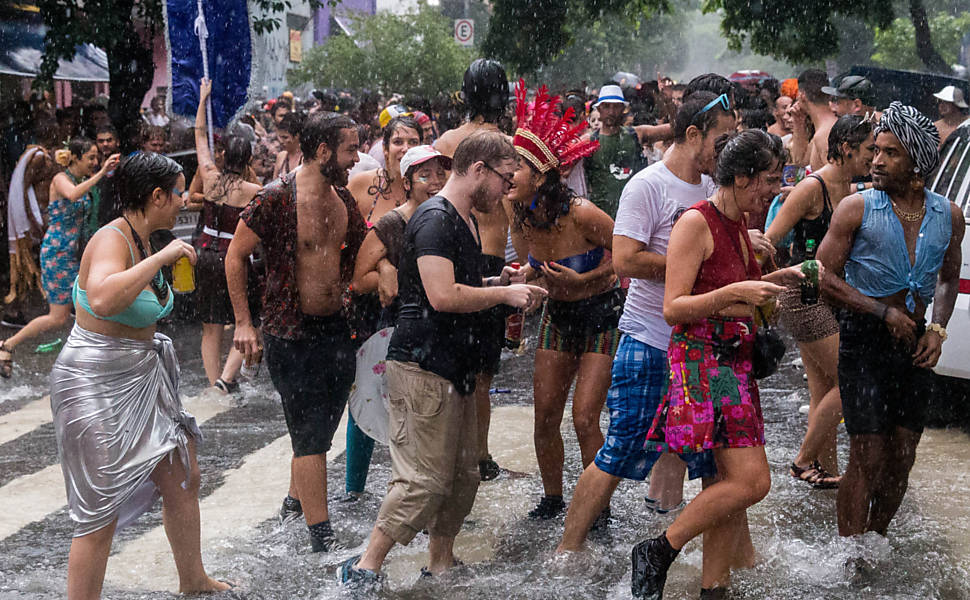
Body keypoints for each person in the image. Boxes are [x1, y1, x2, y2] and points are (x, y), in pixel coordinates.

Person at [338, 131, 547, 586]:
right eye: (505, 180)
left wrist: (499, 281)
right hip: (422, 365)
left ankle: (441, 562)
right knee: (423, 481)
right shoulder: (435, 219)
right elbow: (442, 295)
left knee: (462, 474)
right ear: (478, 170)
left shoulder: (465, 216)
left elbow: (457, 284)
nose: (508, 190)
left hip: (456, 364)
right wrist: (504, 294)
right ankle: (362, 567)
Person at [557, 91, 737, 552]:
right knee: (618, 451)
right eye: (722, 139)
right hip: (649, 340)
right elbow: (624, 261)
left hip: (705, 347)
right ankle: (567, 549)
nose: (727, 150)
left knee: (721, 456)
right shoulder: (647, 185)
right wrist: (693, 265)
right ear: (693, 134)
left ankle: (718, 559)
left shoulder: (715, 191)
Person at [49, 151, 229, 599]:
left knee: (182, 471)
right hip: (94, 380)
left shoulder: (146, 236)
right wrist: (163, 257)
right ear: (156, 195)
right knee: (100, 506)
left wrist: (160, 254)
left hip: (141, 373)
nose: (184, 199)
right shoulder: (113, 239)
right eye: (178, 191)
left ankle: (194, 580)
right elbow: (104, 298)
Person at [633, 130, 802, 598]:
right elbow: (674, 307)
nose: (775, 189)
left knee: (731, 483)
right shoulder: (696, 222)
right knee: (753, 481)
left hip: (735, 363)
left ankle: (714, 588)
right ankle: (660, 548)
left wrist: (781, 279)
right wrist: (736, 294)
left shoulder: (738, 226)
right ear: (742, 178)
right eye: (769, 180)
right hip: (703, 366)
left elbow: (743, 296)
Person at [816, 102, 963, 541]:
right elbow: (822, 277)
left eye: (890, 153)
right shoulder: (856, 208)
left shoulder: (948, 215)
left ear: (916, 165)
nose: (876, 160)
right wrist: (881, 311)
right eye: (875, 150)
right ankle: (850, 551)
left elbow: (949, 277)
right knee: (867, 451)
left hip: (915, 344)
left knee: (903, 453)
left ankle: (876, 540)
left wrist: (937, 329)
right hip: (864, 341)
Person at [227, 112, 366, 552]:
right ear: (323, 151)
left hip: (338, 331)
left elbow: (366, 251)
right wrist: (245, 324)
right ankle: (320, 537)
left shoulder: (343, 198)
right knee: (308, 435)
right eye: (349, 148)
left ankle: (294, 500)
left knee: (321, 431)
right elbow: (234, 257)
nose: (357, 156)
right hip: (291, 334)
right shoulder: (276, 199)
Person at [503, 81, 615, 520]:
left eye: (516, 166)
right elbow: (533, 260)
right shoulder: (517, 212)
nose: (507, 174)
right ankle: (553, 498)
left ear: (543, 174)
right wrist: (525, 276)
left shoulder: (582, 212)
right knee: (546, 416)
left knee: (586, 418)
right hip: (558, 316)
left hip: (602, 316)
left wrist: (586, 278)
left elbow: (629, 258)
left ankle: (596, 506)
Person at [765, 115, 875, 489]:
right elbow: (770, 239)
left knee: (824, 389)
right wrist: (768, 285)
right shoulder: (812, 187)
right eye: (869, 150)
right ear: (847, 149)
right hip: (804, 294)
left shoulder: (856, 186)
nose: (874, 158)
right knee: (855, 378)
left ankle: (824, 470)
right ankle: (801, 461)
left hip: (832, 297)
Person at [435, 58, 515, 481]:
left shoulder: (450, 140)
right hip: (494, 260)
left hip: (453, 254)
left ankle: (454, 450)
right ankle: (480, 453)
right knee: (483, 372)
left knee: (453, 366)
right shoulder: (508, 144)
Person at [340, 115, 424, 501]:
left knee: (414, 394)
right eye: (398, 142)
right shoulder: (361, 186)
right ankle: (354, 490)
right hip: (367, 305)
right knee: (364, 391)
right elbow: (347, 248)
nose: (404, 148)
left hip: (414, 306)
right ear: (384, 148)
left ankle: (410, 486)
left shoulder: (428, 191)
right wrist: (384, 266)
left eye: (413, 141)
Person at [0, 139, 120, 377]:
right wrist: (102, 172)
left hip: (75, 253)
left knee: (93, 304)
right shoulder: (61, 179)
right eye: (91, 158)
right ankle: (7, 345)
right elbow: (74, 196)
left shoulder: (79, 180)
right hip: (58, 253)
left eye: (97, 158)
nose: (95, 162)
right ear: (75, 158)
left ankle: (94, 358)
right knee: (58, 317)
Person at [192, 79, 261, 394]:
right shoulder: (254, 192)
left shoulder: (209, 178)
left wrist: (203, 99)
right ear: (248, 160)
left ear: (222, 156)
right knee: (247, 319)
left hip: (204, 256)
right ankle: (225, 379)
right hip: (234, 261)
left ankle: (212, 383)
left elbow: (199, 137)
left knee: (211, 326)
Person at [352, 146, 451, 316]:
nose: (436, 181)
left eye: (441, 174)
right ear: (406, 183)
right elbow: (359, 282)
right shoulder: (391, 225)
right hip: (400, 322)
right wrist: (394, 276)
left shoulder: (449, 217)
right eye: (425, 176)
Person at [583, 84, 672, 219]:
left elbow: (676, 128)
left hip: (635, 214)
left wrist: (668, 102)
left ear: (623, 109)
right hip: (601, 217)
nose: (611, 112)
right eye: (606, 106)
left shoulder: (637, 134)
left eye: (616, 106)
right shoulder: (588, 141)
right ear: (599, 109)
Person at [789, 69, 838, 170]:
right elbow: (800, 161)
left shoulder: (825, 133)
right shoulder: (822, 129)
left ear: (801, 95)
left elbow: (839, 183)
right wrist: (798, 123)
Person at [272, 112, 305, 178]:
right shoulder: (281, 157)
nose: (281, 141)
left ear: (297, 136)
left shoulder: (306, 159)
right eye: (280, 137)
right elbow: (273, 186)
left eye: (285, 137)